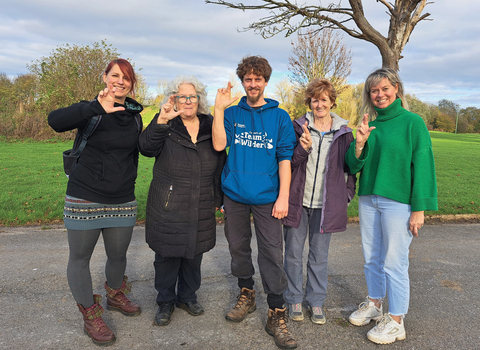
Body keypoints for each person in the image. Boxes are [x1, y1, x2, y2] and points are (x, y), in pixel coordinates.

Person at [48, 58, 143, 346]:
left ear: (131, 84)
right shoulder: (89, 109)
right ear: (104, 77)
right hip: (84, 196)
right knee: (80, 258)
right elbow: (55, 121)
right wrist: (93, 107)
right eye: (115, 75)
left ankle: (115, 295)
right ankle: (91, 316)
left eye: (126, 77)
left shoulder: (134, 114)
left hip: (122, 199)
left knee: (118, 255)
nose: (120, 81)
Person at [345, 68, 438, 344]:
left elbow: (423, 166)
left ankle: (396, 320)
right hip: (369, 198)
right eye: (374, 90)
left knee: (394, 261)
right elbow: (352, 165)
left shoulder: (413, 122)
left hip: (398, 202)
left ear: (396, 88)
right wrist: (359, 143)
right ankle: (375, 304)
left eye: (385, 88)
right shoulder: (369, 123)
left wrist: (419, 209)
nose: (380, 94)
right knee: (371, 256)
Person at [213, 55, 298, 350]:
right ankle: (246, 293)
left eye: (257, 79)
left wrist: (283, 197)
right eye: (247, 79)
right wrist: (218, 108)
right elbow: (219, 145)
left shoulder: (280, 117)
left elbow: (285, 158)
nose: (252, 84)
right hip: (235, 194)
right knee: (238, 247)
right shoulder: (232, 114)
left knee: (273, 254)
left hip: (268, 198)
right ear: (242, 82)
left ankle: (276, 311)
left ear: (265, 81)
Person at [139, 76, 226, 327]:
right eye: (182, 97)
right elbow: (145, 148)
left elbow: (220, 163)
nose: (188, 101)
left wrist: (218, 198)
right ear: (173, 99)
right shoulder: (167, 123)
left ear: (200, 100)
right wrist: (161, 120)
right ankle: (165, 300)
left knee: (193, 253)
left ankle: (187, 297)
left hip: (201, 200)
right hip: (169, 202)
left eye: (192, 96)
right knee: (167, 253)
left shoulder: (211, 125)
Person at [282, 78, 356, 325]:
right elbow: (287, 163)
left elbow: (351, 169)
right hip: (297, 203)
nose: (319, 104)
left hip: (326, 206)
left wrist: (345, 196)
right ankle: (293, 298)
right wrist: (302, 149)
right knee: (292, 253)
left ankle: (315, 301)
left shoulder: (344, 132)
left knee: (319, 256)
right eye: (315, 99)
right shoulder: (296, 127)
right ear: (309, 102)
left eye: (324, 99)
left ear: (332, 102)